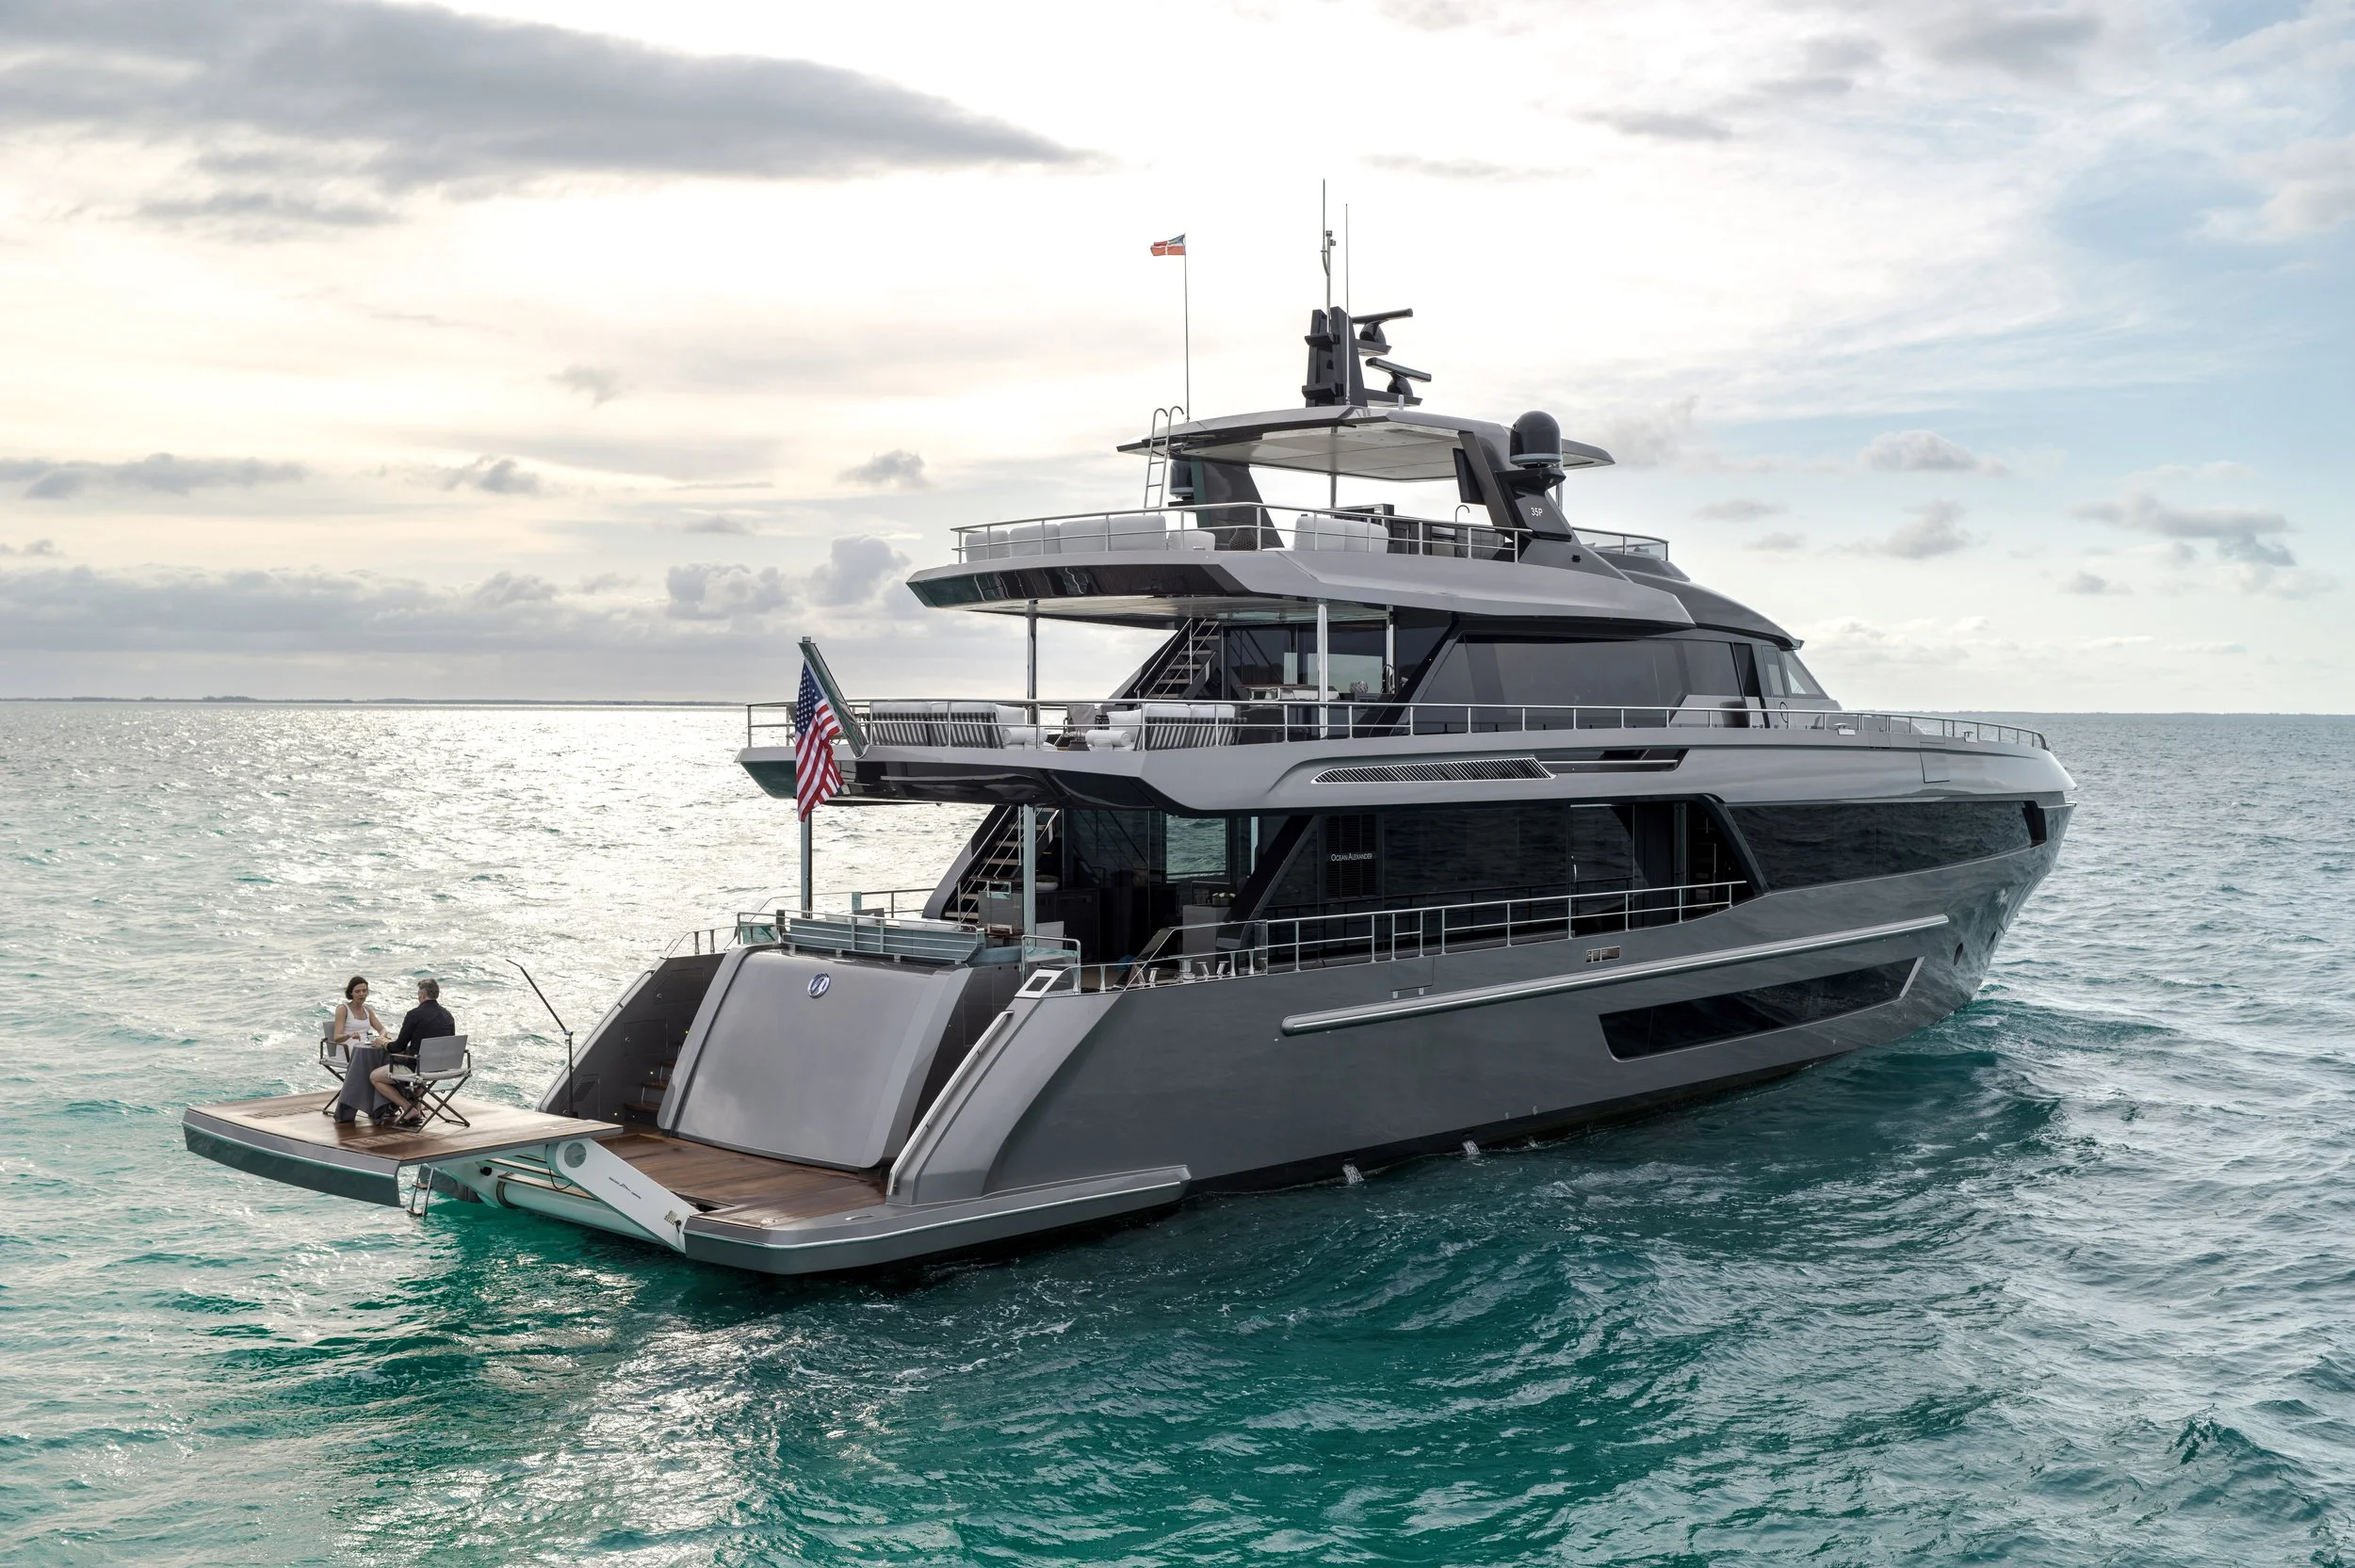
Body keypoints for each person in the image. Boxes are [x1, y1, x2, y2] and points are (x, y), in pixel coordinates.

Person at [370, 978, 455, 1129]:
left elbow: (398, 1047)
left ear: (422, 995)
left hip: (416, 1068)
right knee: (422, 1067)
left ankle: (408, 1109)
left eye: (418, 994)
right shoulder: (448, 1016)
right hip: (440, 1067)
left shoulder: (414, 1015)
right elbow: (448, 1044)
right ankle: (416, 1105)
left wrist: (383, 1042)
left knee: (375, 1077)